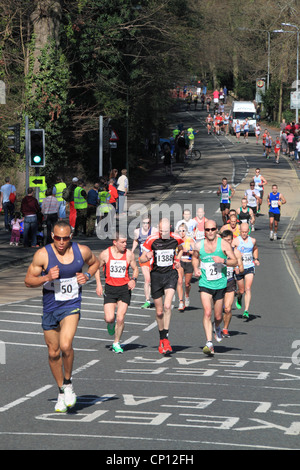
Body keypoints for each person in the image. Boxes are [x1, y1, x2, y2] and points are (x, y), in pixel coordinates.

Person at [24, 220, 100, 412]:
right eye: (58, 238)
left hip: (71, 305)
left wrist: (88, 276)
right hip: (50, 307)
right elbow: (28, 281)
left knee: (66, 345)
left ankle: (68, 384)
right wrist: (46, 277)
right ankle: (60, 391)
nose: (61, 242)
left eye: (65, 238)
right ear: (52, 236)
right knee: (53, 352)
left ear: (71, 237)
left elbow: (96, 262)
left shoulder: (81, 251)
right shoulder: (43, 254)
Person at [192, 220, 237, 356]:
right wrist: (195, 268)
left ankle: (217, 326)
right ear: (204, 231)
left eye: (212, 229)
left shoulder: (223, 244)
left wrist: (222, 260)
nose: (210, 232)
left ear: (216, 230)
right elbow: (195, 257)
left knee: (218, 316)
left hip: (220, 284)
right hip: (205, 283)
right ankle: (209, 343)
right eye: (207, 230)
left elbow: (234, 261)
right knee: (207, 312)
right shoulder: (199, 245)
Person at [140, 218, 184, 354]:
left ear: (170, 229)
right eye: (160, 231)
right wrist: (146, 256)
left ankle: (166, 338)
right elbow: (141, 259)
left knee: (167, 306)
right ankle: (161, 338)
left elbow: (182, 248)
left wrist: (177, 260)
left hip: (170, 274)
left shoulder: (176, 238)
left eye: (165, 231)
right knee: (159, 312)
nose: (163, 234)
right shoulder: (151, 240)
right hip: (156, 276)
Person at [95, 232, 139, 354]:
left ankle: (116, 342)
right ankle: (110, 324)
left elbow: (135, 269)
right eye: (122, 242)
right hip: (110, 289)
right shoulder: (105, 254)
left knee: (120, 318)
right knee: (110, 318)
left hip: (124, 289)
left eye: (126, 242)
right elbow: (96, 269)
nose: (125, 244)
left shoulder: (129, 254)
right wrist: (99, 284)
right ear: (115, 242)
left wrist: (133, 280)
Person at [232, 223, 260, 320]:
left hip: (249, 267)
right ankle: (239, 297)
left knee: (248, 288)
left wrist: (256, 259)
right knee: (242, 290)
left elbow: (255, 249)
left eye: (245, 232)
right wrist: (234, 265)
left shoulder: (252, 241)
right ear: (240, 231)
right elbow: (230, 253)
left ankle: (246, 310)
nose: (244, 234)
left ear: (248, 231)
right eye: (242, 232)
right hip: (239, 268)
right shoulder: (235, 241)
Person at [131, 215, 158, 309]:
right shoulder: (137, 231)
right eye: (144, 223)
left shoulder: (154, 230)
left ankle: (157, 296)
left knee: (154, 279)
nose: (146, 225)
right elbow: (135, 241)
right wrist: (132, 251)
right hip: (143, 258)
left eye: (148, 223)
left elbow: (158, 242)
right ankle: (147, 300)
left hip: (153, 258)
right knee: (147, 279)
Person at [220, 230, 244, 338]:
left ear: (232, 240)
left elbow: (241, 268)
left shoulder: (236, 252)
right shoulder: (218, 251)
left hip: (230, 281)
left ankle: (225, 329)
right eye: (225, 240)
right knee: (218, 311)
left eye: (229, 240)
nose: (227, 242)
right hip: (218, 283)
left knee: (228, 309)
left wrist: (238, 269)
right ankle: (217, 324)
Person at [176, 222, 195, 311]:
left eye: (183, 231)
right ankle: (180, 302)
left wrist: (188, 251)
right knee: (180, 282)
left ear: (186, 231)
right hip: (180, 262)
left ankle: (186, 295)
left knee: (187, 284)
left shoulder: (190, 240)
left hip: (189, 262)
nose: (182, 233)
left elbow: (196, 252)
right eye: (180, 231)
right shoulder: (176, 240)